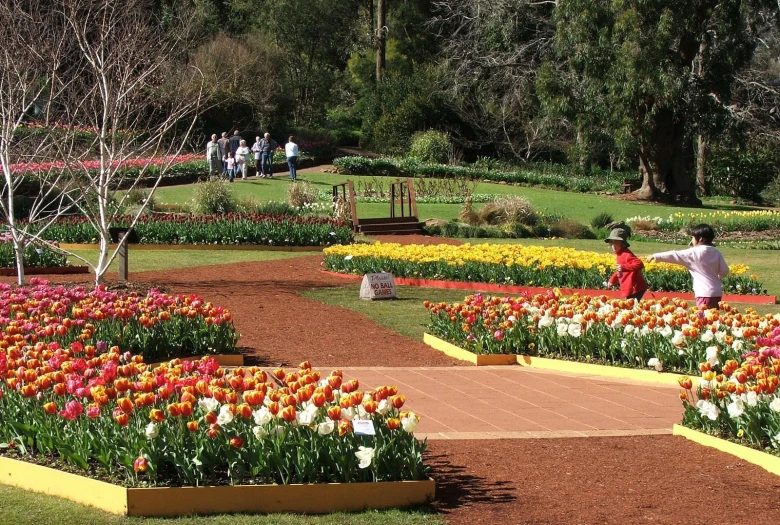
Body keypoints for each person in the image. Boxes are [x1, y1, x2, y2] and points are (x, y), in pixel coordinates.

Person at [647, 223, 729, 310]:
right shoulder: (716, 252)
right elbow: (724, 271)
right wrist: (716, 276)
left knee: (704, 320)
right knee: (713, 319)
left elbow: (675, 255)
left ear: (700, 238)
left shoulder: (694, 252)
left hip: (703, 292)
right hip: (717, 292)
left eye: (693, 237)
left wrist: (656, 256)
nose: (692, 240)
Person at [604, 226, 647, 301]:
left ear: (622, 243)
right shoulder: (620, 254)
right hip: (631, 288)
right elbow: (619, 270)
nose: (613, 246)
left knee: (631, 307)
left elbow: (639, 264)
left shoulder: (627, 255)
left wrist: (624, 267)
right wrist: (612, 280)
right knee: (630, 307)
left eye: (616, 242)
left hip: (635, 288)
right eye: (611, 242)